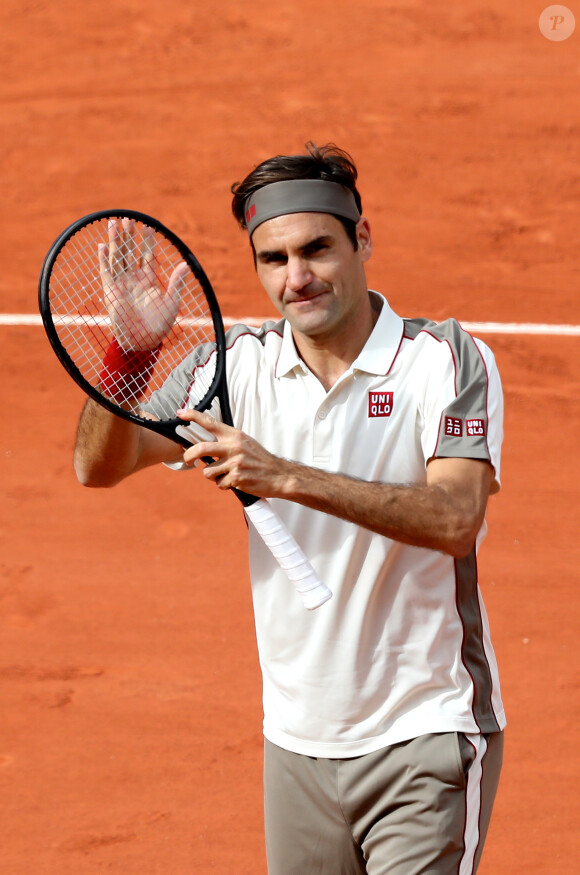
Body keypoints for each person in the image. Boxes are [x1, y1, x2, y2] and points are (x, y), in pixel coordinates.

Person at [74, 142, 505, 875]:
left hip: (423, 731)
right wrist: (132, 353)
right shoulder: (236, 365)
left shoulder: (445, 360)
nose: (296, 278)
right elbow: (98, 465)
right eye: (272, 259)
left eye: (317, 249)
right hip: (297, 743)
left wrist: (284, 475)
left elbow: (454, 517)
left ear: (362, 239)